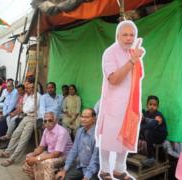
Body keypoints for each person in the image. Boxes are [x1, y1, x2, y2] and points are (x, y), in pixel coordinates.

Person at [95, 20, 145, 180]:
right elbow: (114, 79)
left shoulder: (132, 52)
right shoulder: (110, 53)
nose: (129, 38)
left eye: (132, 35)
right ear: (118, 36)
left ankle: (119, 169)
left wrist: (136, 59)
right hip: (113, 103)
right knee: (109, 136)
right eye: (125, 35)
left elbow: (139, 75)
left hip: (131, 103)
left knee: (127, 135)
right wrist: (132, 61)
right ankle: (104, 170)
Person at [0, 82, 41, 167]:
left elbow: (30, 108)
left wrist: (25, 109)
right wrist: (24, 109)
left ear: (36, 88)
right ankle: (7, 152)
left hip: (32, 119)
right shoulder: (28, 96)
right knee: (15, 134)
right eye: (28, 88)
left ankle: (12, 158)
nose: (30, 89)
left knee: (23, 139)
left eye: (32, 88)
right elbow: (24, 108)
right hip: (26, 117)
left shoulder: (38, 97)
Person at [22, 112, 73, 180]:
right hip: (50, 153)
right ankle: (37, 178)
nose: (47, 122)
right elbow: (41, 147)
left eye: (50, 120)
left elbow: (56, 154)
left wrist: (37, 158)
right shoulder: (46, 130)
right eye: (45, 121)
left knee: (47, 163)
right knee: (28, 157)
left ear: (56, 120)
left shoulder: (62, 132)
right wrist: (33, 155)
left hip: (64, 156)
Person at [56, 108, 99, 180]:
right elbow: (74, 151)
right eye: (82, 116)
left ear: (94, 119)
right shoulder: (80, 131)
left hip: (93, 170)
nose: (83, 119)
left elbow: (95, 160)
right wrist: (65, 169)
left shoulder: (97, 135)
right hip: (80, 166)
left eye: (87, 117)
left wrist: (87, 177)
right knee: (62, 178)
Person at [139, 95, 167, 167]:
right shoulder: (145, 113)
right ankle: (132, 151)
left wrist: (141, 128)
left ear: (157, 106)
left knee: (148, 131)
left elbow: (152, 126)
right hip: (150, 134)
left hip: (159, 136)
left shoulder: (158, 116)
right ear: (147, 105)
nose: (152, 106)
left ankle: (151, 158)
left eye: (155, 105)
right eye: (150, 104)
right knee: (137, 131)